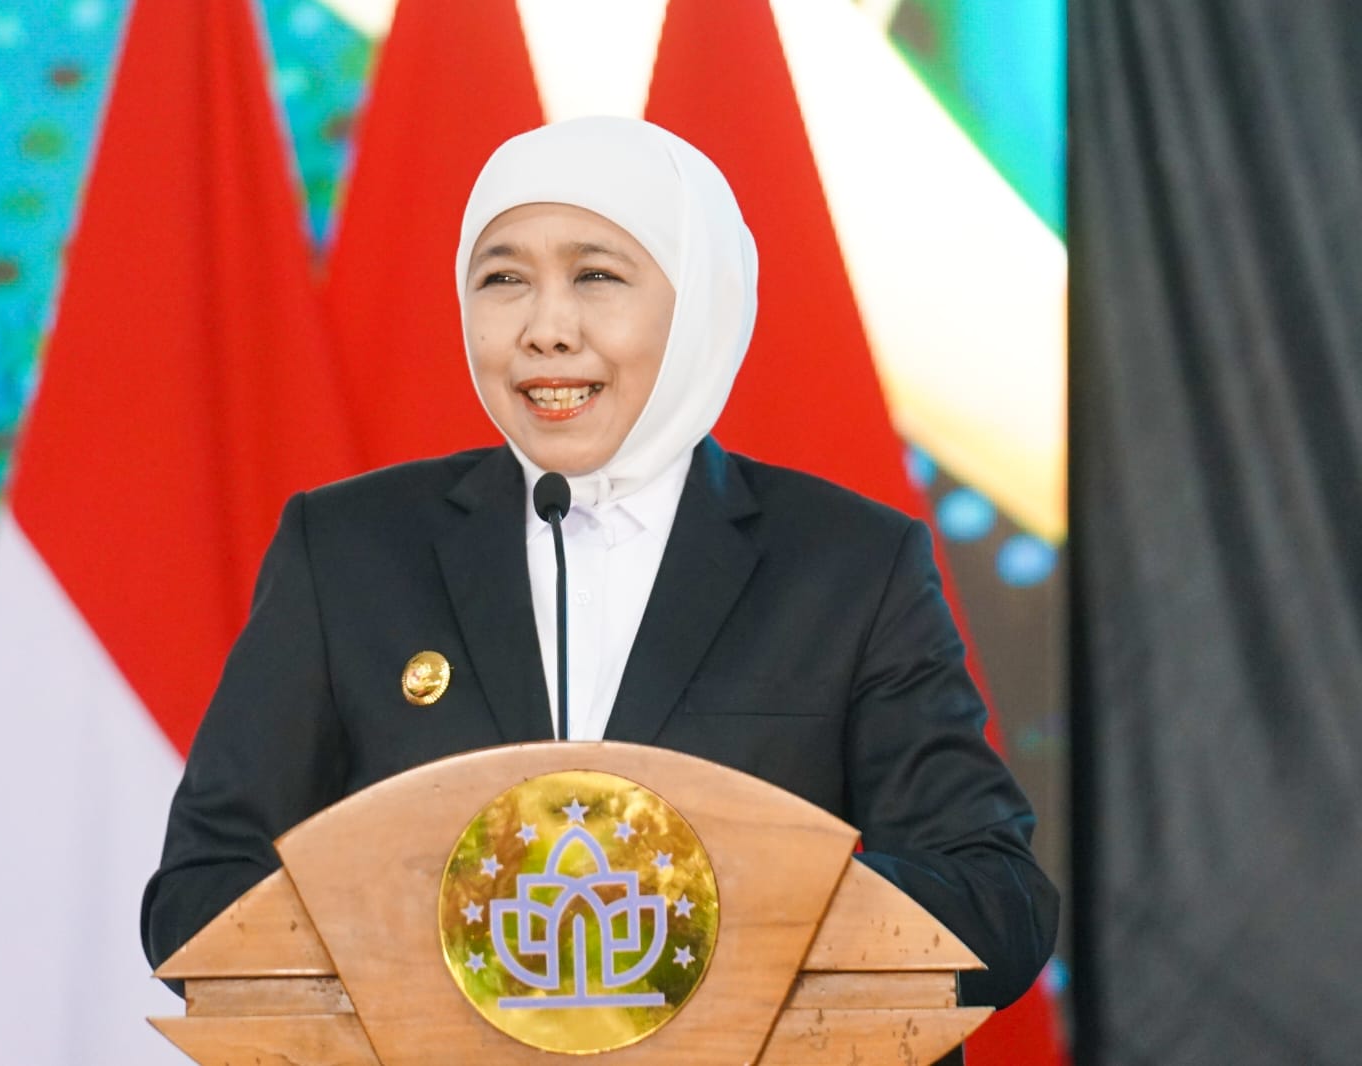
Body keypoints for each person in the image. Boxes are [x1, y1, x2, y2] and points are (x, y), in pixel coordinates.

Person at [141, 117, 1057, 1009]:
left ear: (697, 302)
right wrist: (454, 931)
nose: (547, 329)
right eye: (503, 279)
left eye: (597, 276)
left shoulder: (849, 565)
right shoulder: (346, 550)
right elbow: (199, 902)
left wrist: (714, 907)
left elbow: (995, 904)